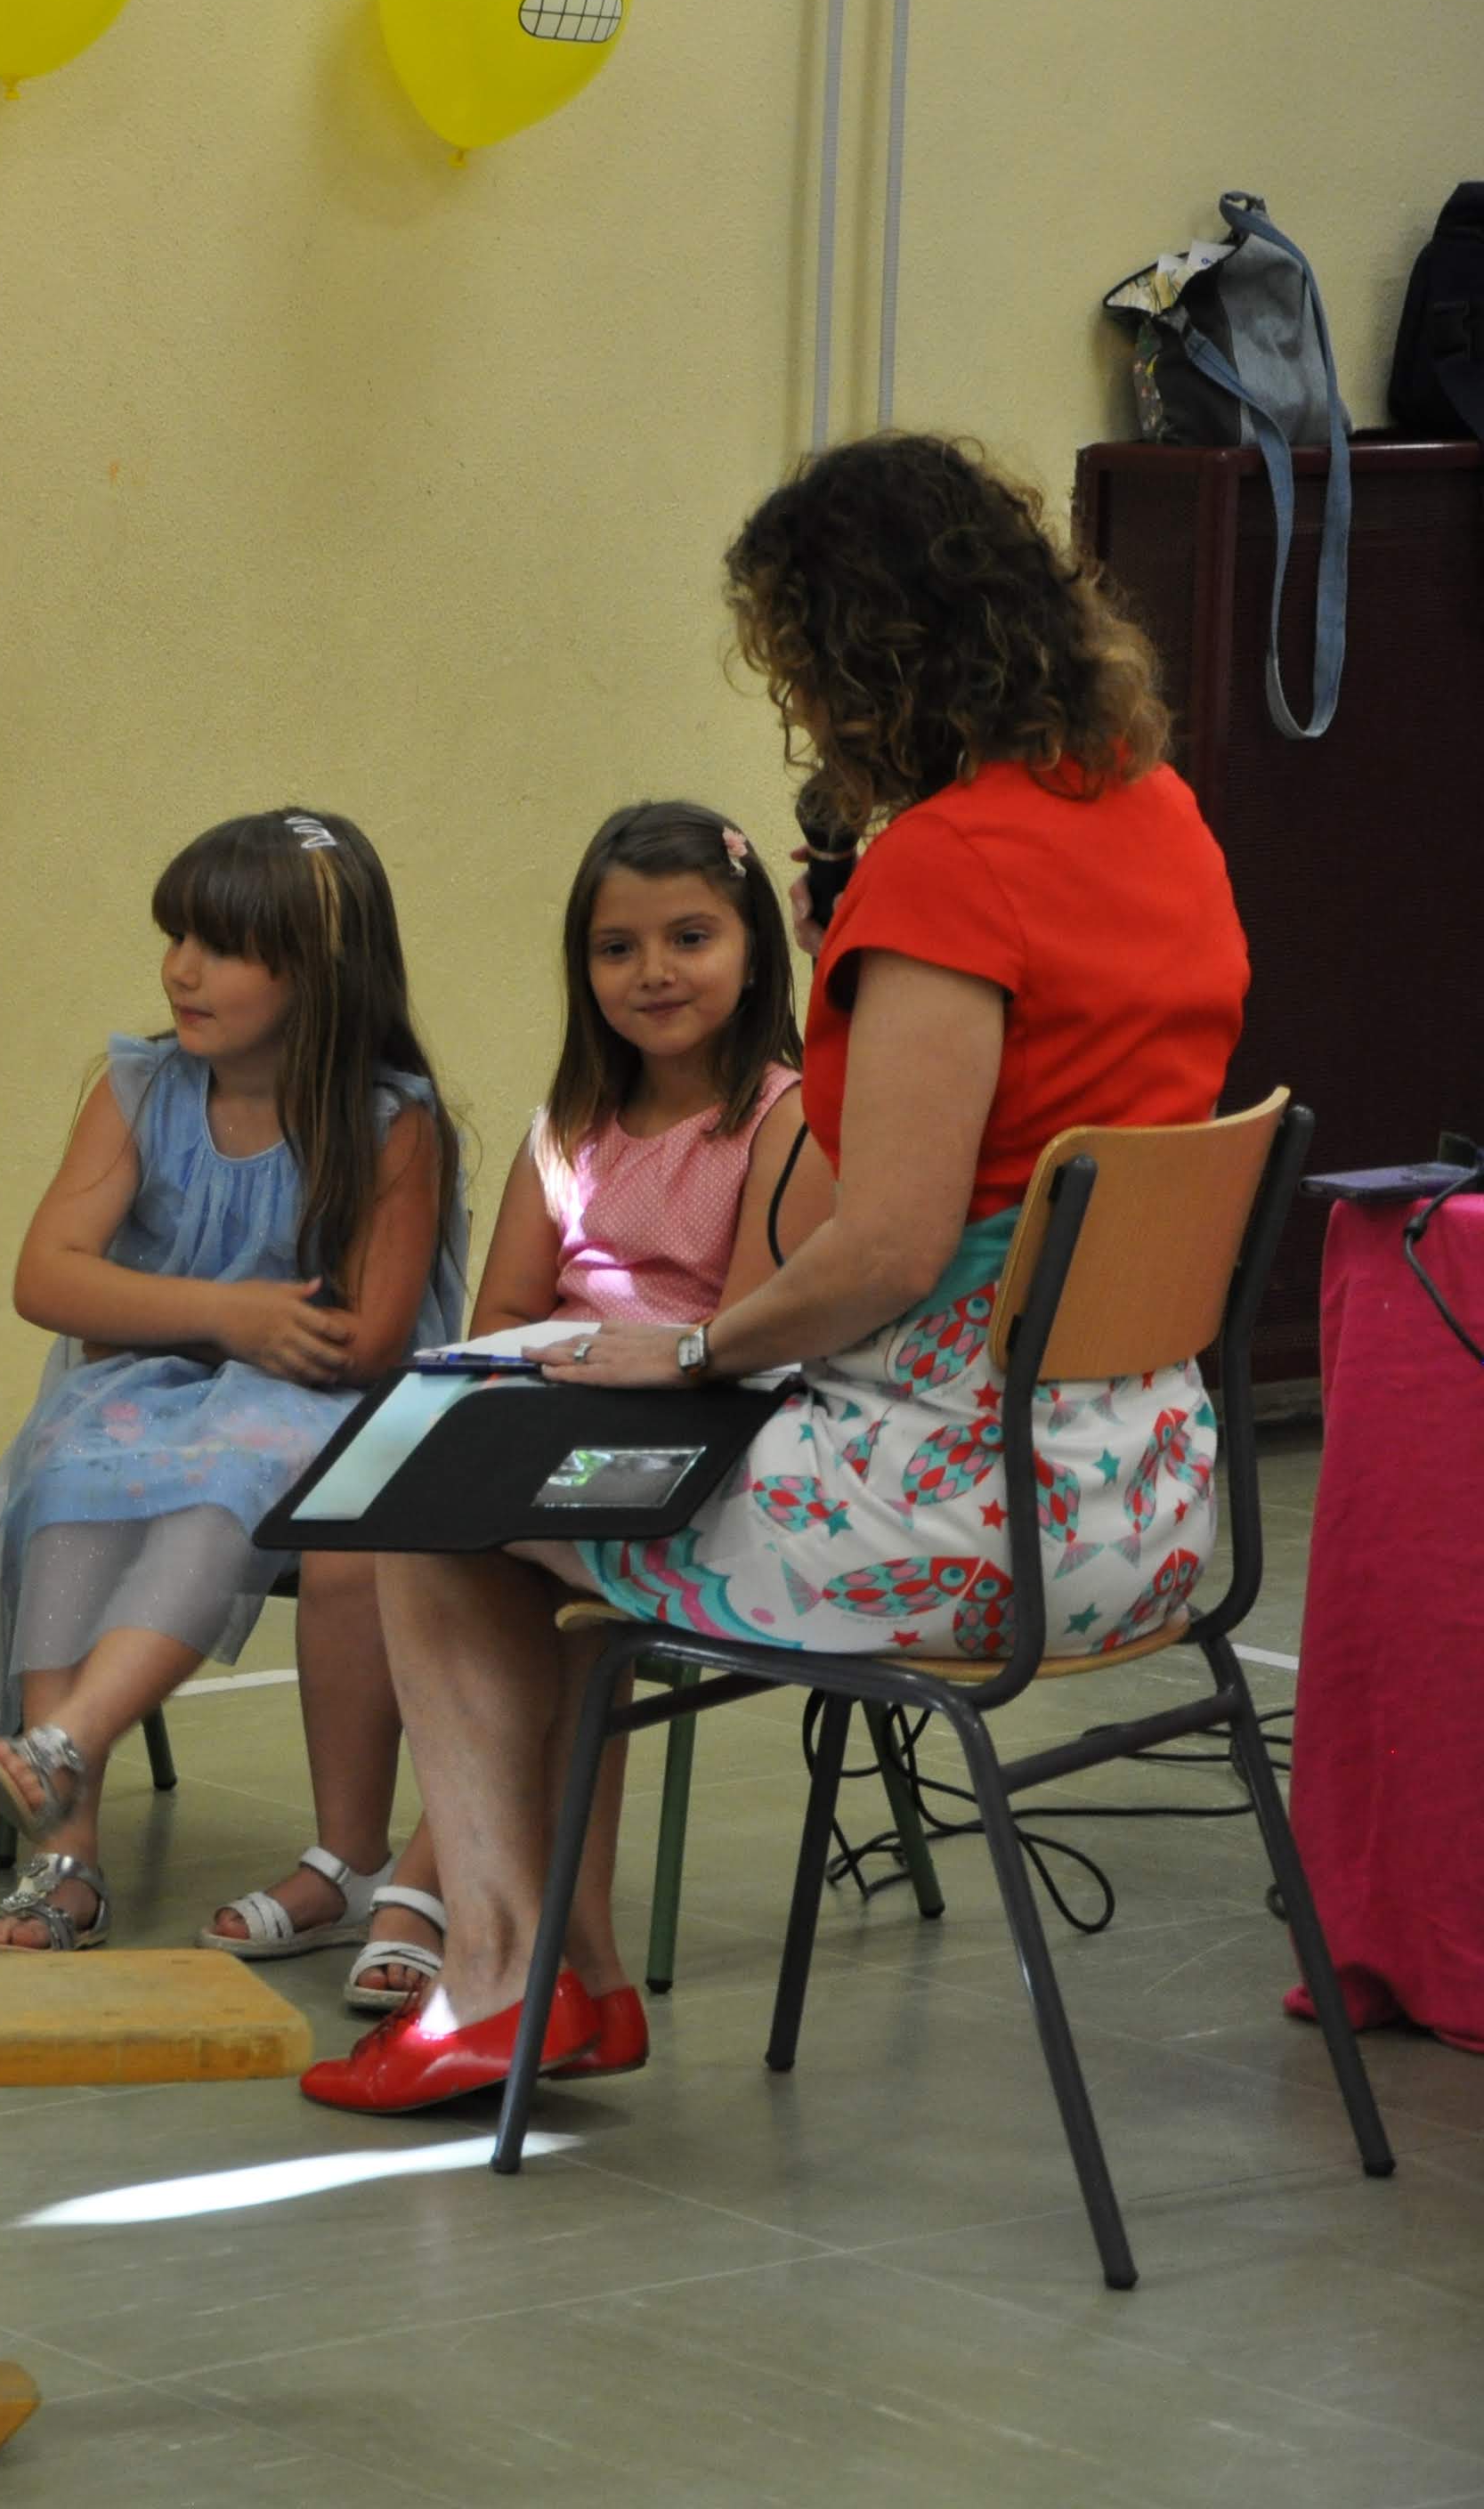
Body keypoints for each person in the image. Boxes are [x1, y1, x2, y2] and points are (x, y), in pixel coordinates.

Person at [326, 432, 1246, 2115]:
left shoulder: (947, 868)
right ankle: (560, 1976)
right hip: (1150, 1497)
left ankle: (506, 1980)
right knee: (529, 1489)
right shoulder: (1161, 814)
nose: (805, 710)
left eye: (798, 666)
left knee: (439, 1485)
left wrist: (693, 1351)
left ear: (858, 651)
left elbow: (884, 1248)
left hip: (953, 1515)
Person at [346, 802, 807, 2060]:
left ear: (753, 949)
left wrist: (625, 1374)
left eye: (690, 937)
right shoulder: (566, 1129)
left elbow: (754, 1336)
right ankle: (573, 1972)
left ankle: (512, 1961)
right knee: (420, 1507)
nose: (653, 971)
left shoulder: (783, 1119)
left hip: (700, 1438)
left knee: (453, 1546)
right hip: (563, 1415)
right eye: (617, 947)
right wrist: (537, 1386)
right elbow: (503, 1314)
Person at [0, 808, 468, 1955]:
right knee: (66, 1468)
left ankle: (64, 1741)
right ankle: (64, 1862)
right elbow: (46, 1276)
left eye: (224, 947)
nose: (182, 969)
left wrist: (207, 1329)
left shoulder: (389, 1124)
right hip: (164, 1384)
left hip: (315, 1408)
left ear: (321, 973)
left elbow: (367, 1340)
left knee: (220, 1483)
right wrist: (224, 1313)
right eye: (177, 936)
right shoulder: (137, 1089)